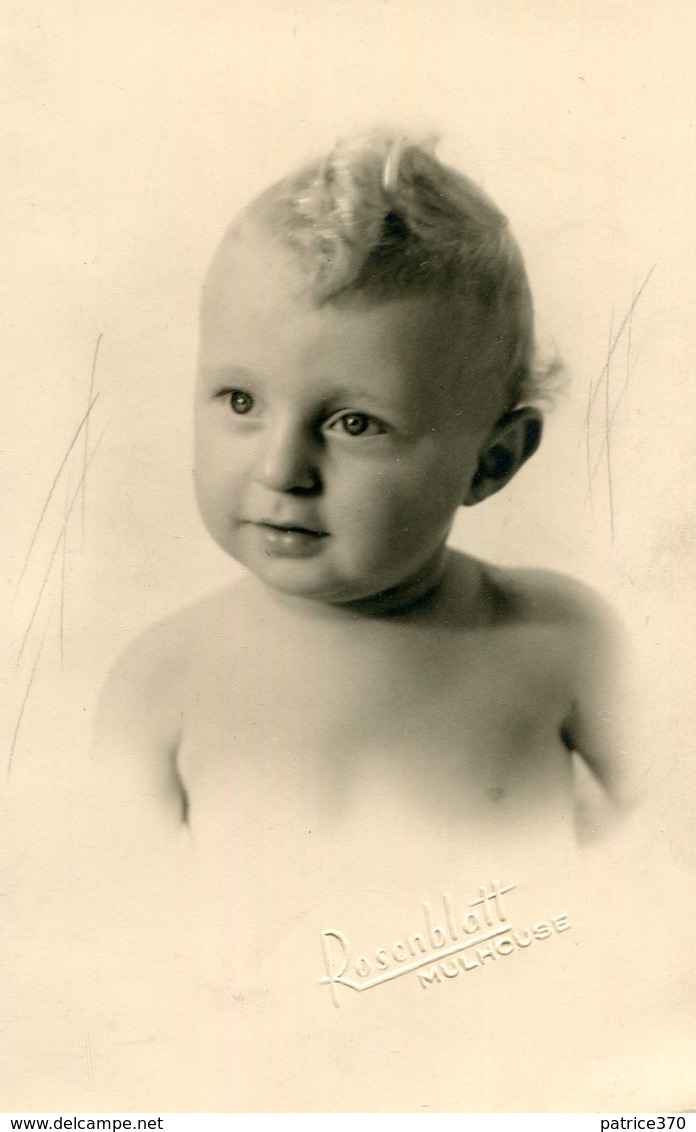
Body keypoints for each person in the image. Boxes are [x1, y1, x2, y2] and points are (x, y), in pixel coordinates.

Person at [90, 130, 634, 1106]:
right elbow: (108, 973)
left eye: (354, 423)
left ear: (493, 461)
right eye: (240, 399)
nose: (280, 467)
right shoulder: (161, 683)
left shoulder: (563, 644)